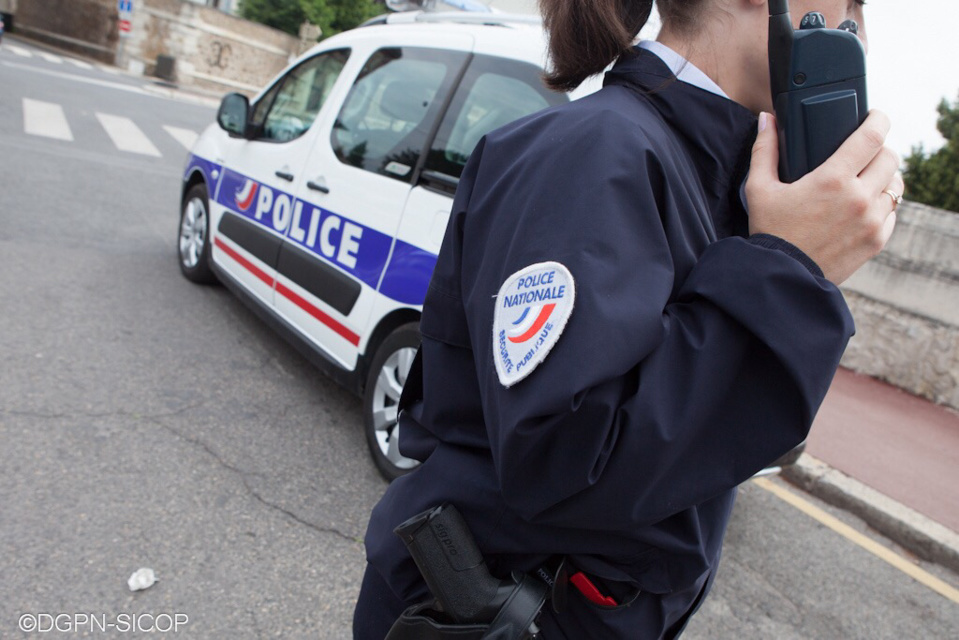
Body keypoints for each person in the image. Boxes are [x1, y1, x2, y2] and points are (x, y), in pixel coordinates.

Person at [354, 0, 903, 637]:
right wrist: (788, 274)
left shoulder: (719, 174)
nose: (862, 30)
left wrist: (786, 255)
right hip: (486, 616)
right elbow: (567, 461)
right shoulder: (595, 151)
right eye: (855, 4)